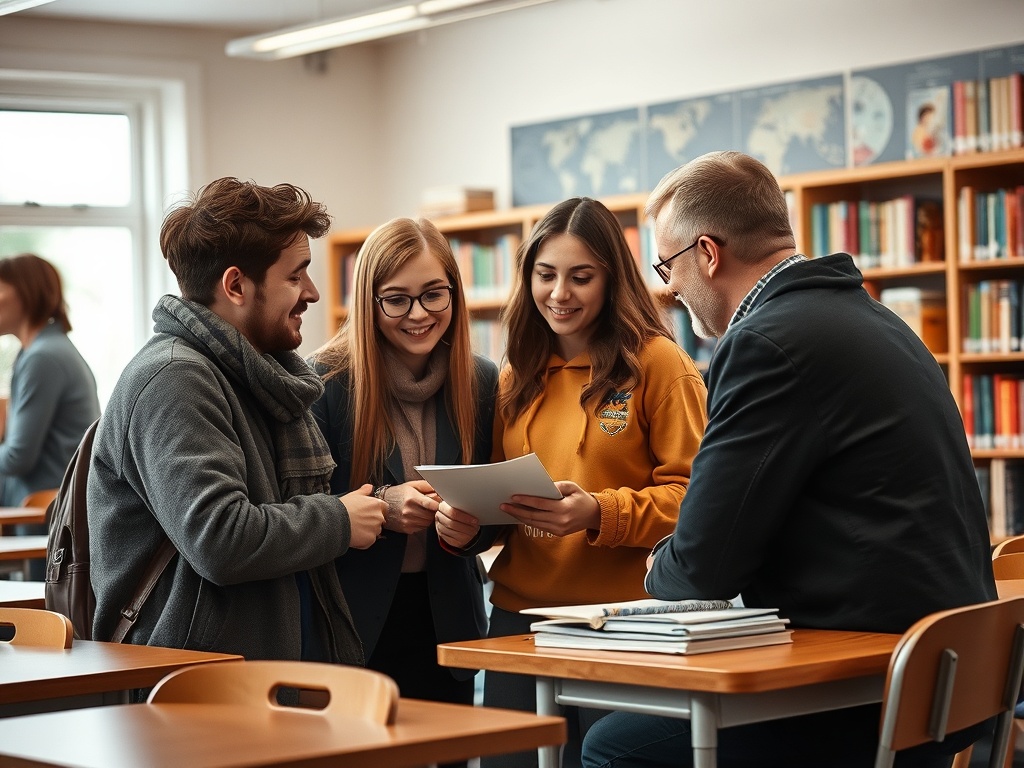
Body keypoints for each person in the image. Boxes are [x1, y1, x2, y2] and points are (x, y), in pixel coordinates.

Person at [581, 151, 997, 768]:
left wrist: (651, 571)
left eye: (667, 265)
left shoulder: (766, 345)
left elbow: (703, 569)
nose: (667, 287)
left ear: (708, 253)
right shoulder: (879, 321)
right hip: (946, 683)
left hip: (863, 693)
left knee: (612, 749)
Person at [436, 196, 708, 768]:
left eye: (581, 277)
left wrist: (597, 514)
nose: (560, 294)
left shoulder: (658, 365)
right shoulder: (515, 374)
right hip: (520, 626)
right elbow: (502, 510)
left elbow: (699, 504)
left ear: (613, 280)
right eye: (546, 275)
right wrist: (464, 524)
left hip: (626, 625)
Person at [88, 177, 387, 662]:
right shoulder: (174, 379)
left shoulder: (254, 375)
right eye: (295, 275)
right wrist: (337, 519)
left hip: (253, 675)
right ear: (235, 285)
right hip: (192, 689)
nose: (312, 292)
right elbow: (219, 538)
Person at [308, 218, 498, 719]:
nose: (419, 315)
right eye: (397, 299)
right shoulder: (324, 383)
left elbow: (493, 511)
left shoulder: (480, 380)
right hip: (355, 627)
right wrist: (382, 507)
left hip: (448, 622)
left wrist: (469, 530)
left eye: (434, 294)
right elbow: (295, 512)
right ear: (369, 303)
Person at [0, 253, 100, 580]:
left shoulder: (43, 358)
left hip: (48, 515)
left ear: (26, 292)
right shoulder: (44, 351)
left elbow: (18, 457)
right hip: (50, 511)